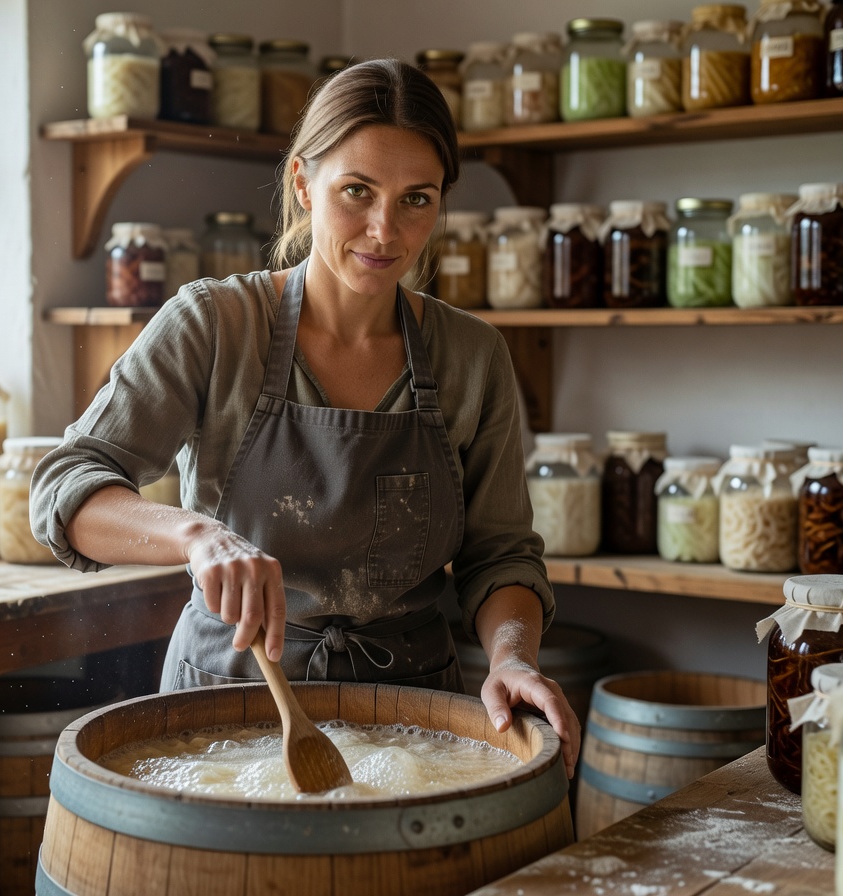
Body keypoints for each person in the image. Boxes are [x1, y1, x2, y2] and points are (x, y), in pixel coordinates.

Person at [31, 57, 579, 776]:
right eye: (357, 191)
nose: (385, 230)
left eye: (417, 199)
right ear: (302, 184)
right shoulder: (215, 324)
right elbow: (65, 486)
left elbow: (499, 554)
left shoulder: (472, 356)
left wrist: (511, 657)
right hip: (227, 706)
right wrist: (195, 536)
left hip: (414, 719)